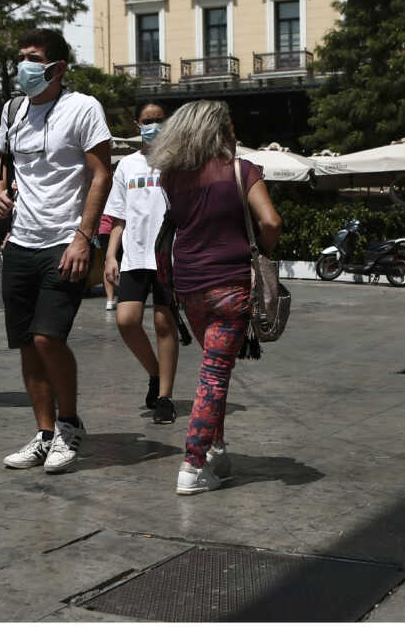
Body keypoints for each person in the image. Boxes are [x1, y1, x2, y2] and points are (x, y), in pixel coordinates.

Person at [0, 28, 113, 474]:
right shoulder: (12, 110)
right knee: (26, 344)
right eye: (21, 56)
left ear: (58, 67)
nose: (24, 65)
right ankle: (43, 434)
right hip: (20, 240)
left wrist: (85, 236)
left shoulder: (83, 108)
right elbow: (1, 158)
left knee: (48, 337)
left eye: (33, 57)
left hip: (66, 241)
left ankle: (69, 425)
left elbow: (102, 174)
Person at [148, 100, 281, 495]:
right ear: (220, 130)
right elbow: (271, 221)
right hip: (231, 286)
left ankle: (216, 449)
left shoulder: (172, 176)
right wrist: (265, 249)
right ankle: (192, 463)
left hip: (189, 285)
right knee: (214, 376)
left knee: (212, 366)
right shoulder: (242, 171)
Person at [103, 101, 179, 425]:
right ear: (137, 124)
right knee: (126, 320)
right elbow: (118, 216)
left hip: (168, 255)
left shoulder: (179, 161)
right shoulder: (126, 167)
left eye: (159, 119)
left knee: (164, 324)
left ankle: (164, 397)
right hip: (134, 255)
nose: (153, 125)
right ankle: (154, 373)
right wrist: (110, 254)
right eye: (147, 120)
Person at [97, 213, 118, 311]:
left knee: (107, 263)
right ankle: (124, 298)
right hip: (120, 229)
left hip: (103, 230)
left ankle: (110, 299)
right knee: (123, 262)